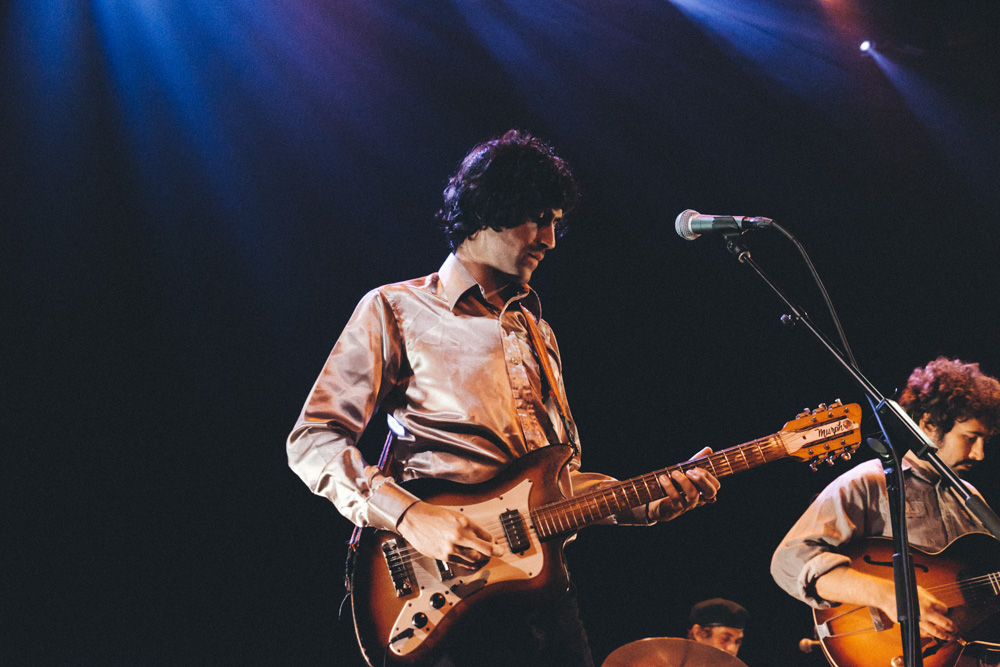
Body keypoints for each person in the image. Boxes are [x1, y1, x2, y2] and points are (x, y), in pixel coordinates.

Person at [287, 129, 721, 666]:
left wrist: (646, 501)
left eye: (556, 222)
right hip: (445, 595)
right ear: (486, 210)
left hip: (543, 596)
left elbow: (555, 485)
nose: (550, 239)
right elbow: (313, 439)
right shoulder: (396, 309)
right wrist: (411, 515)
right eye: (538, 219)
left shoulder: (537, 332)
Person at [771, 357, 1000, 645]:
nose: (979, 454)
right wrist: (889, 595)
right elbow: (788, 562)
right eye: (970, 438)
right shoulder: (868, 482)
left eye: (984, 441)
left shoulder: (970, 497)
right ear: (928, 424)